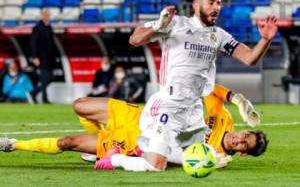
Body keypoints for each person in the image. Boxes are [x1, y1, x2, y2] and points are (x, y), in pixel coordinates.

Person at [98, 0, 276, 172]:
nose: (216, 7)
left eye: (219, 4)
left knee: (193, 158)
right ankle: (115, 158)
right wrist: (158, 26)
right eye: (211, 2)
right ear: (196, 5)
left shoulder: (219, 35)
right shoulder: (175, 24)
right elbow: (135, 39)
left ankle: (141, 149)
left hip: (194, 111)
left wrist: (265, 40)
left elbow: (249, 57)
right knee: (156, 166)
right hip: (170, 104)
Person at [0, 85, 267, 169]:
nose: (240, 140)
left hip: (134, 143)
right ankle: (97, 138)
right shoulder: (225, 120)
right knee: (79, 105)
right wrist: (238, 99)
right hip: (138, 117)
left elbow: (173, 160)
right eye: (246, 136)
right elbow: (212, 91)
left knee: (67, 143)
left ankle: (13, 145)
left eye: (245, 145)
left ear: (242, 153)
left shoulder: (214, 158)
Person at [30, 9, 55, 103]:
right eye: (45, 15)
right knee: (44, 78)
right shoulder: (37, 28)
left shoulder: (49, 27)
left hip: (49, 58)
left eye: (48, 15)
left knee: (50, 78)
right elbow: (33, 43)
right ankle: (44, 98)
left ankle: (34, 93)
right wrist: (35, 57)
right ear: (42, 16)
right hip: (41, 57)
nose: (47, 17)